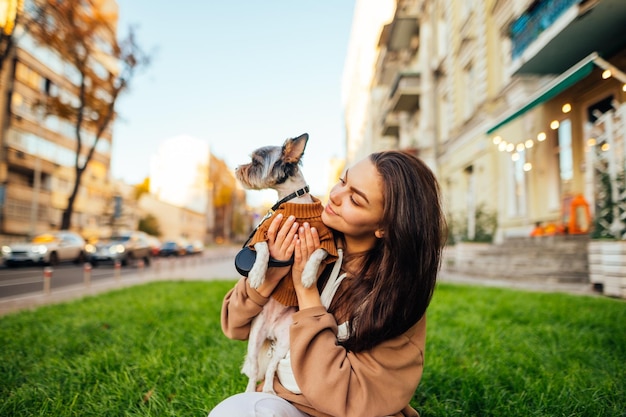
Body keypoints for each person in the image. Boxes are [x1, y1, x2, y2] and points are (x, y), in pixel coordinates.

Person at [209, 150, 445, 417]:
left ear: (385, 226)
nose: (334, 195)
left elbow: (350, 396)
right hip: (283, 402)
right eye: (343, 181)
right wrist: (274, 270)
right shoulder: (309, 236)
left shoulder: (397, 295)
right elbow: (234, 325)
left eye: (355, 199)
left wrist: (307, 292)